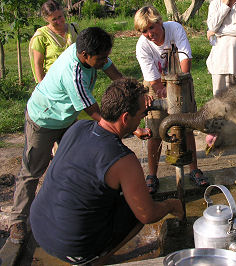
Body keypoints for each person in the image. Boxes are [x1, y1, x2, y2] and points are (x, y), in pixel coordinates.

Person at [8, 27, 149, 244]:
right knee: (32, 170)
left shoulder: (91, 52)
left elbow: (116, 76)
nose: (105, 62)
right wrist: (131, 127)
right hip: (43, 119)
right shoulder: (73, 73)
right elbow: (94, 112)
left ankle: (69, 208)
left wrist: (137, 95)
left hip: (66, 117)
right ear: (84, 55)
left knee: (73, 163)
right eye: (101, 59)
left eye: (106, 56)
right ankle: (18, 220)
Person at [30, 78, 184, 265]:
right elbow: (147, 214)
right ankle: (96, 260)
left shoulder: (78, 127)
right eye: (141, 115)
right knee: (138, 209)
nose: (143, 119)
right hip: (73, 247)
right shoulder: (123, 160)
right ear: (126, 118)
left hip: (39, 226)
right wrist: (171, 205)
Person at [134, 6, 209, 194]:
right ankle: (152, 174)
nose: (149, 34)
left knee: (187, 127)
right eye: (144, 31)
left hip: (181, 78)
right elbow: (155, 83)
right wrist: (165, 93)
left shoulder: (175, 29)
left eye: (152, 27)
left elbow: (186, 59)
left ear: (160, 22)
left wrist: (179, 88)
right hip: (156, 84)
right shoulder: (142, 46)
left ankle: (194, 169)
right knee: (154, 130)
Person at [29, 0, 79, 83]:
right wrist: (42, 87)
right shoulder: (41, 36)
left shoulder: (74, 29)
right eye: (54, 19)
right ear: (46, 19)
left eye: (60, 16)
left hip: (76, 79)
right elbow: (38, 64)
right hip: (54, 83)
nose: (59, 22)